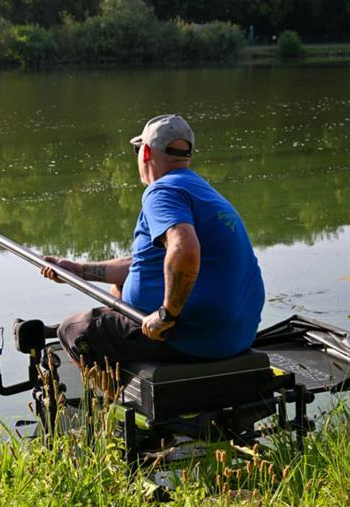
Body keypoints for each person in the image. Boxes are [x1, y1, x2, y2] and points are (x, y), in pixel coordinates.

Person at [41, 114, 264, 368]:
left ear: (146, 152)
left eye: (137, 149)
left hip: (193, 338)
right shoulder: (199, 188)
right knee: (120, 289)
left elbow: (184, 247)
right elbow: (144, 264)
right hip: (235, 335)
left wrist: (166, 314)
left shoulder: (161, 192)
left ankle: (110, 402)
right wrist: (78, 270)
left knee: (74, 330)